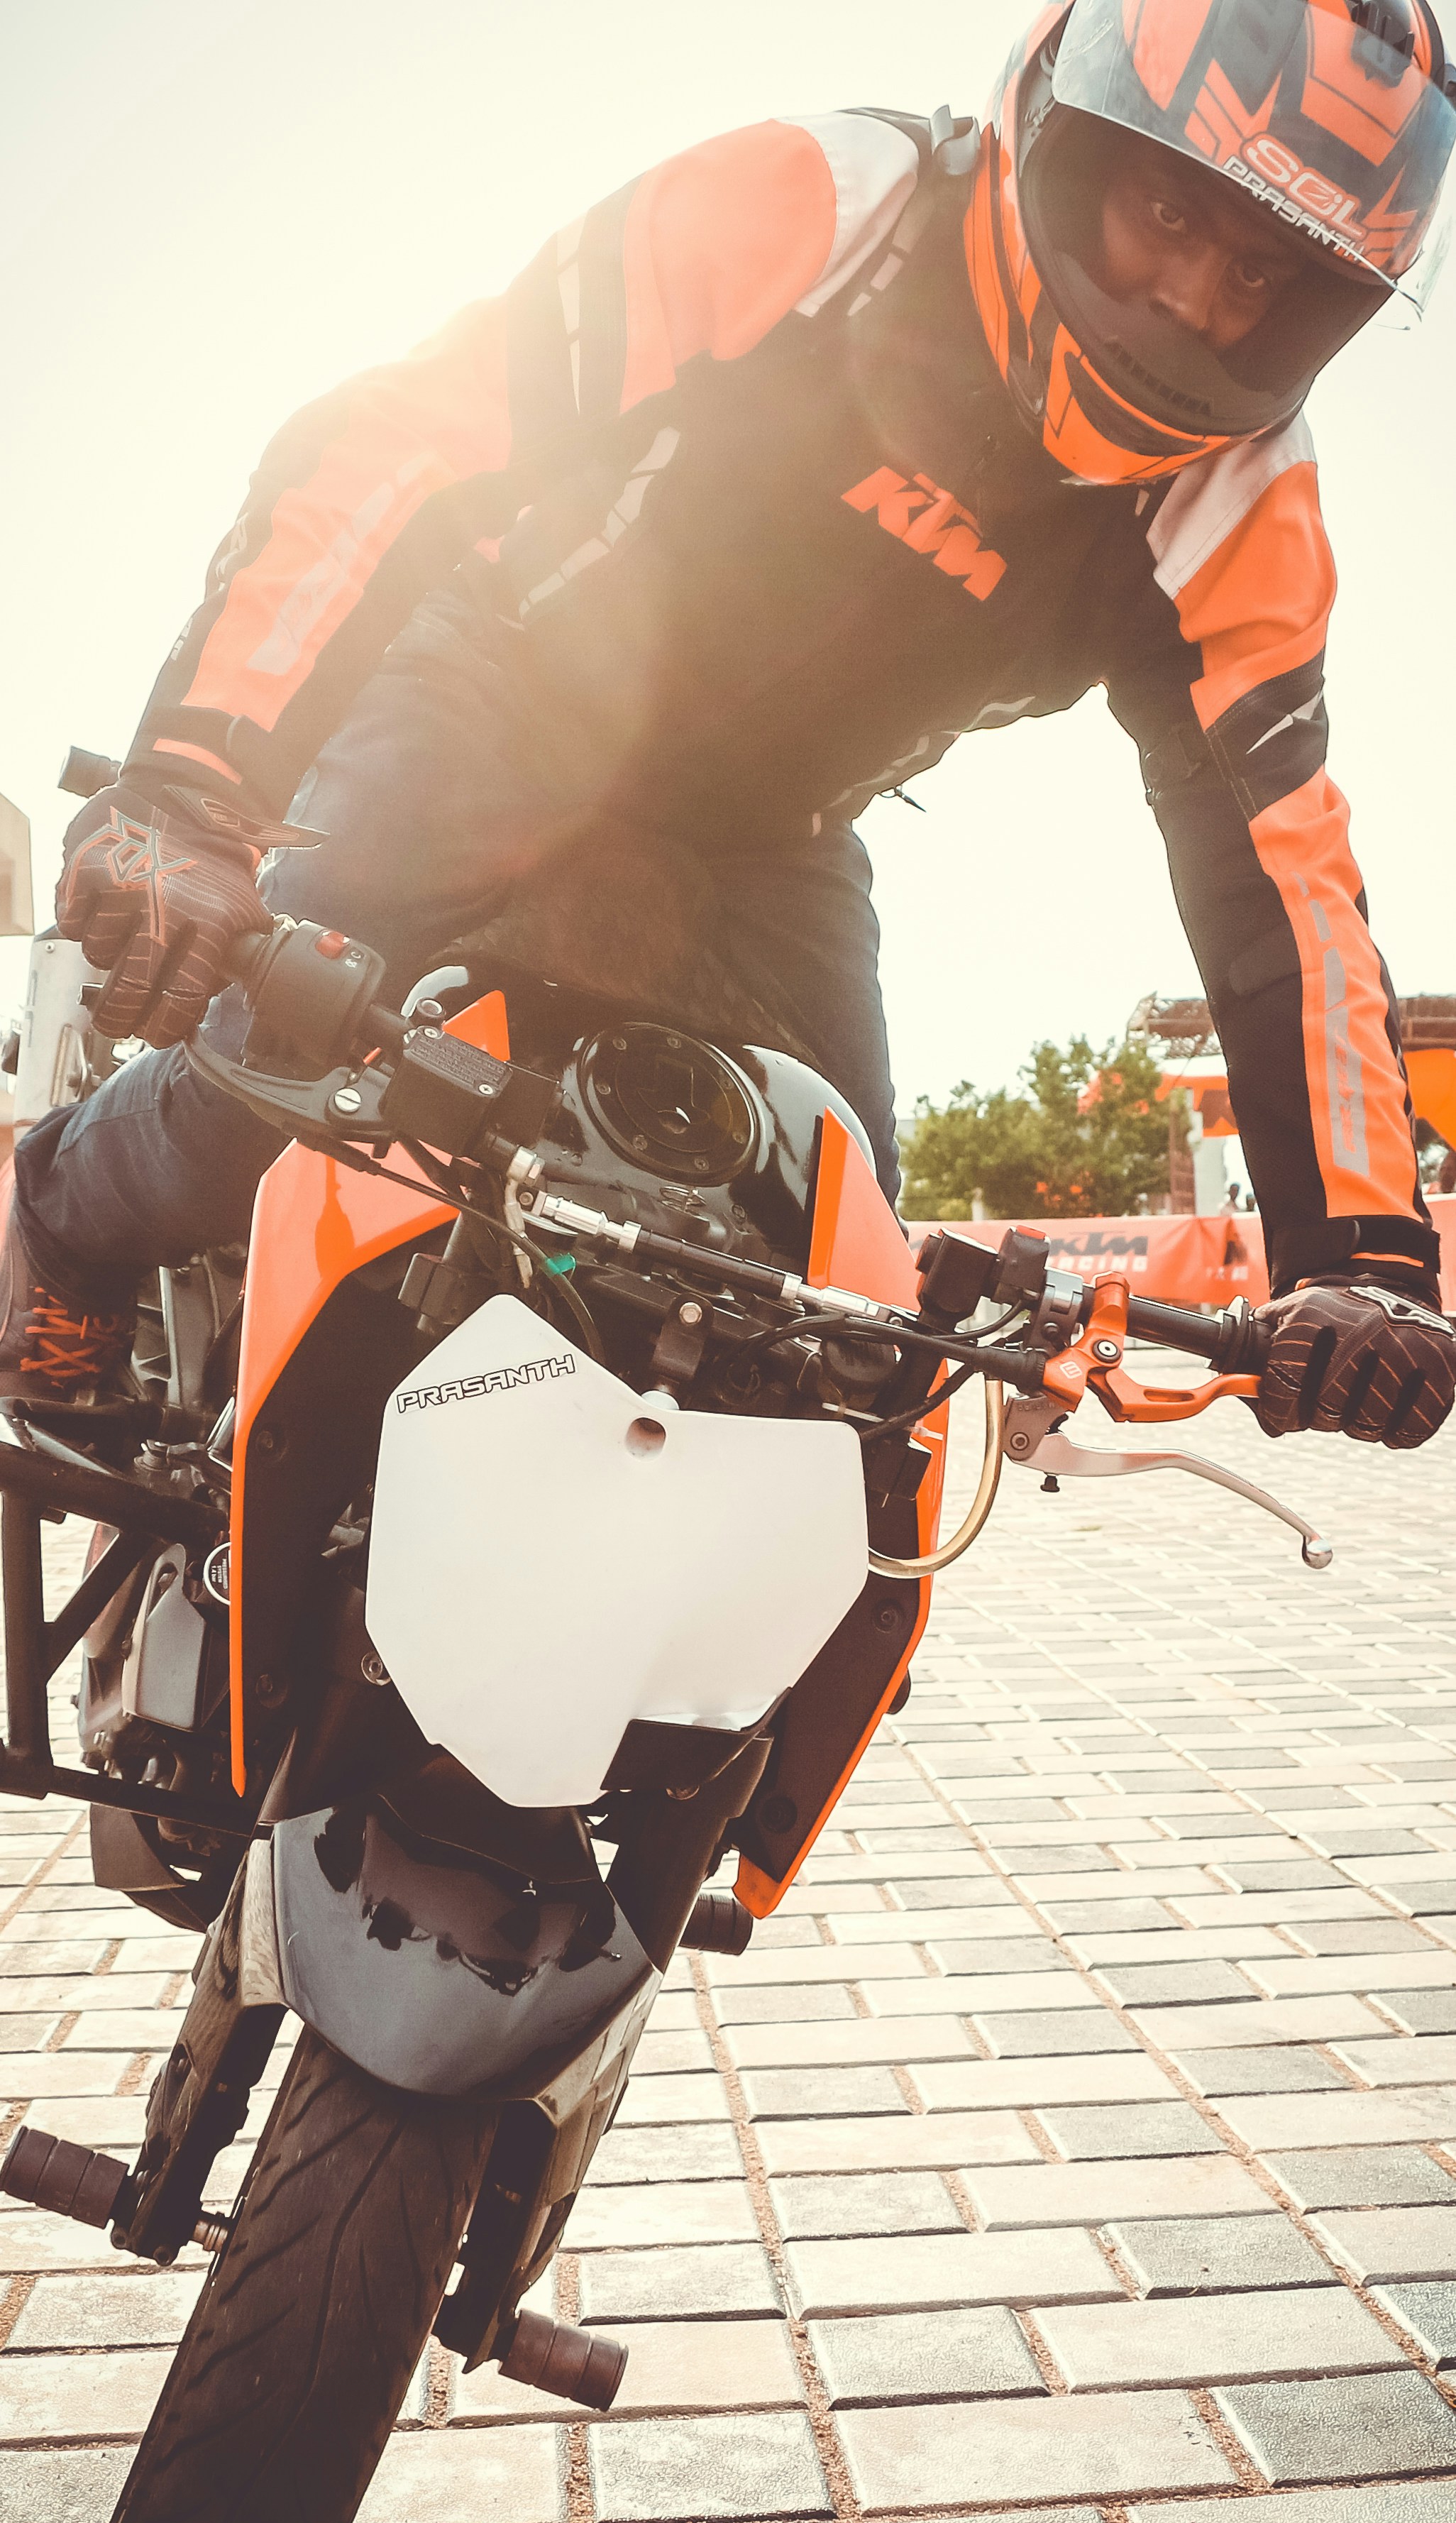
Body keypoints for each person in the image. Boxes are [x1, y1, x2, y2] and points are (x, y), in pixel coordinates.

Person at [4, 0, 1455, 1449]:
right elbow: (415, 435)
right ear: (1062, 124)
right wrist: (195, 781)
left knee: (855, 1329)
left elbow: (1284, 890)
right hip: (499, 691)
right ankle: (55, 1217)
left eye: (1258, 267)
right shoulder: (826, 205)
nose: (1197, 302)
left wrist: (1367, 1267)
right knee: (276, 1076)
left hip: (776, 842)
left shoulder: (1240, 499)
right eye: (1163, 213)